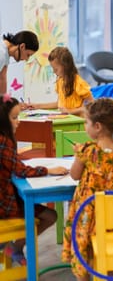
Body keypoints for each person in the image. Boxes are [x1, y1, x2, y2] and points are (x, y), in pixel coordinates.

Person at [61, 97, 113, 281]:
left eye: (86, 122)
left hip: (88, 212)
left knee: (84, 250)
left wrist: (77, 156)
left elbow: (74, 175)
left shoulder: (88, 151)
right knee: (109, 253)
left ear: (97, 126)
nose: (85, 125)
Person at [0, 94, 68, 265]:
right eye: (14, 117)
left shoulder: (4, 140)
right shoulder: (3, 142)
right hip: (5, 204)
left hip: (6, 198)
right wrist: (48, 170)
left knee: (50, 215)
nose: (18, 122)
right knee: (51, 216)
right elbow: (20, 170)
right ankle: (15, 247)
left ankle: (13, 247)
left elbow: (14, 167)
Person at [23, 47, 94, 116]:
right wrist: (37, 106)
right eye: (53, 68)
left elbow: (92, 105)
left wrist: (70, 111)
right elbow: (59, 104)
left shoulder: (78, 82)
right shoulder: (60, 81)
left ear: (66, 66)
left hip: (77, 122)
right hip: (66, 120)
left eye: (56, 69)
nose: (54, 71)